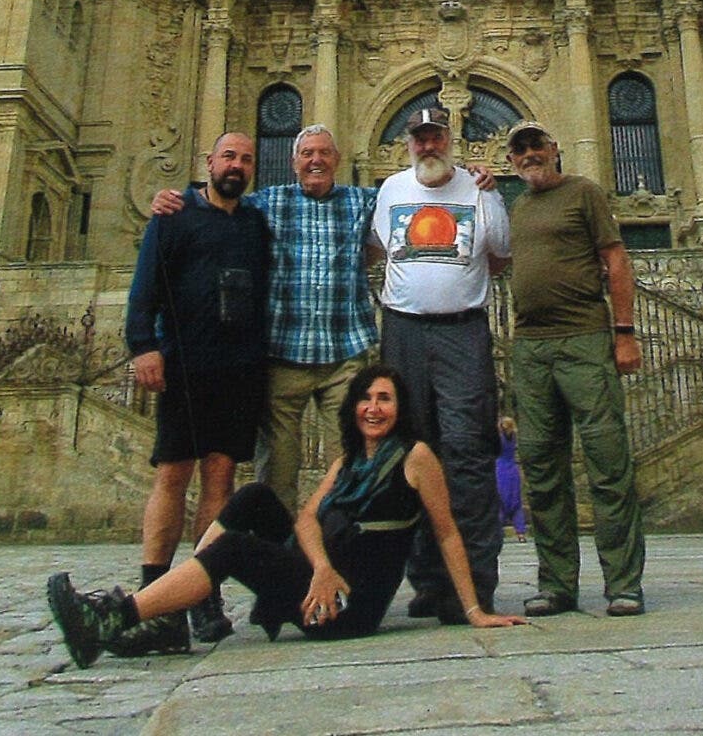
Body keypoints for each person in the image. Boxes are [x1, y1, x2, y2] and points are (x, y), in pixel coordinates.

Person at [46, 365, 525, 667]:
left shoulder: (415, 457)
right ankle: (180, 604)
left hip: (348, 605)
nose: (373, 409)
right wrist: (320, 565)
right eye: (366, 398)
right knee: (254, 496)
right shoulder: (348, 461)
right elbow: (304, 520)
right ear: (353, 407)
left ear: (400, 409)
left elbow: (445, 534)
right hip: (326, 573)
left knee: (233, 548)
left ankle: (115, 617)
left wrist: (474, 611)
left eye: (385, 399)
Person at [152, 124, 378, 510]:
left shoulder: (363, 201)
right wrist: (178, 199)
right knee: (275, 471)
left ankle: (344, 552)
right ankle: (278, 556)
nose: (316, 160)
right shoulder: (267, 203)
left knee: (351, 462)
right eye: (307, 154)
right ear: (293, 163)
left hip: (345, 356)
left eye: (324, 153)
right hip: (282, 356)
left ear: (339, 160)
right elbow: (219, 199)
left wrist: (476, 182)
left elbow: (416, 195)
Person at [120, 132, 272, 648]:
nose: (237, 165)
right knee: (172, 475)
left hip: (239, 367)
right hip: (185, 365)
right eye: (229, 156)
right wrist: (143, 345)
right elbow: (145, 287)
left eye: (247, 159)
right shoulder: (173, 215)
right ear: (208, 163)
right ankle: (156, 598)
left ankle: (204, 595)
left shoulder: (256, 222)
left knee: (221, 480)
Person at [370, 103, 512, 622]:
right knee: (410, 455)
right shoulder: (389, 191)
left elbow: (500, 254)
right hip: (403, 331)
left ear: (450, 139)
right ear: (408, 142)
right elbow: (374, 250)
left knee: (468, 455)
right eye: (419, 137)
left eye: (435, 137)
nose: (427, 145)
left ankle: (474, 584)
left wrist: (493, 192)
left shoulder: (480, 190)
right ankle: (427, 581)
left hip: (462, 333)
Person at [500, 118, 647, 617]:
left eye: (536, 146)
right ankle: (557, 582)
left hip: (585, 340)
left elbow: (616, 259)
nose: (529, 155)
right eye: (519, 150)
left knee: (608, 464)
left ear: (554, 147)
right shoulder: (516, 207)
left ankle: (623, 584)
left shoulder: (585, 193)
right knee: (540, 469)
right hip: (532, 348)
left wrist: (623, 333)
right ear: (512, 161)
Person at [496, 417, 528, 542]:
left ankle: (498, 531)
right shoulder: (513, 437)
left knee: (500, 502)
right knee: (516, 503)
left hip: (500, 470)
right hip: (513, 470)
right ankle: (520, 533)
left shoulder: (499, 439)